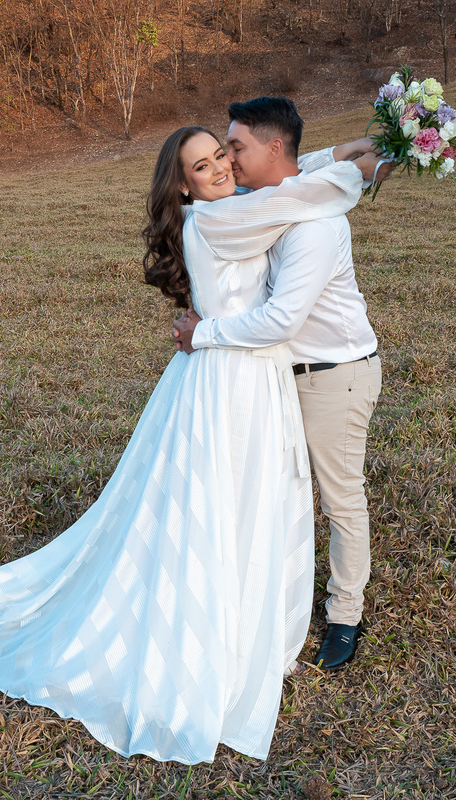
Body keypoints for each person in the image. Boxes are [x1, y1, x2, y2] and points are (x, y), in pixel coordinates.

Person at [0, 126, 388, 765]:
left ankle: (259, 604)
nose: (220, 167)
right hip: (230, 377)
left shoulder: (234, 204)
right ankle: (212, 628)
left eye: (223, 154)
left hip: (249, 375)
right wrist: (373, 162)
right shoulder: (221, 220)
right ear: (182, 183)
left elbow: (285, 175)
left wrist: (355, 145)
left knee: (251, 496)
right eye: (203, 164)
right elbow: (300, 191)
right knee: (218, 500)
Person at [173, 97, 384, 672]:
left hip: (333, 375)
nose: (228, 162)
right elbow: (303, 169)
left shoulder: (314, 223)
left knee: (339, 497)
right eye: (217, 154)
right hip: (275, 374)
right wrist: (348, 156)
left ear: (269, 149)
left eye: (234, 148)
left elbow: (282, 320)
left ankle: (345, 614)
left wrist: (204, 331)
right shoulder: (266, 199)